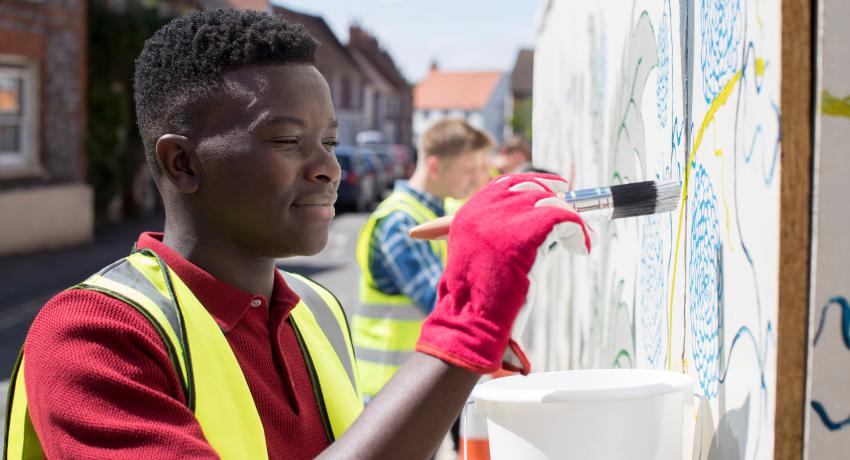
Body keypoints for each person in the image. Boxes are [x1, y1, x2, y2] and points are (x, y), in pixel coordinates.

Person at [4, 9, 593, 460]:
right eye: (289, 141)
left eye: (330, 143)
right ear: (183, 163)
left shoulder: (315, 308)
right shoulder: (91, 338)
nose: (329, 168)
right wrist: (467, 323)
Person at [353, 118, 491, 401]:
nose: (480, 179)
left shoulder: (441, 210)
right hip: (388, 395)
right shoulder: (401, 221)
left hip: (414, 388)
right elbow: (442, 303)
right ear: (434, 166)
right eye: (469, 170)